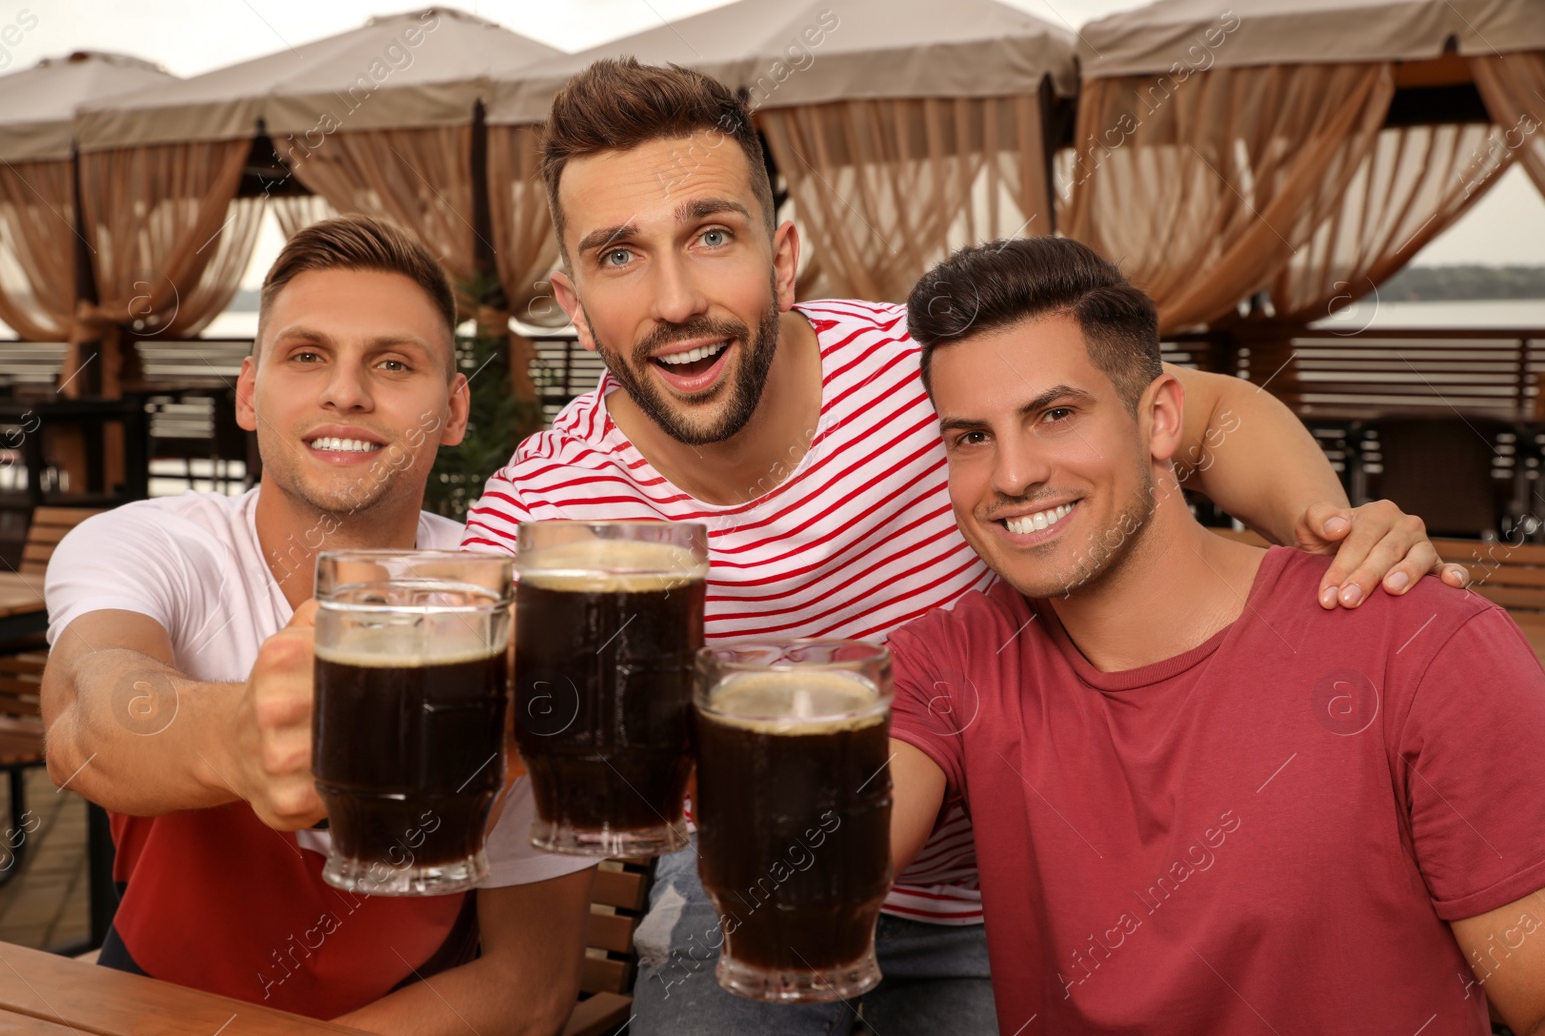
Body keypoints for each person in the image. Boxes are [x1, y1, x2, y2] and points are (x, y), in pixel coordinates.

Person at [462, 57, 1465, 1034]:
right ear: (575, 307)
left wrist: (1333, 541)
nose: (675, 297)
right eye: (620, 254)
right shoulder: (540, 506)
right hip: (745, 868)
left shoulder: (924, 375)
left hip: (1011, 874)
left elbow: (1204, 416)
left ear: (782, 258)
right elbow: (447, 691)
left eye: (711, 234)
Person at [887, 236, 1545, 1034]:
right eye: (971, 437)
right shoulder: (950, 661)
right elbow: (822, 869)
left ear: (1161, 418)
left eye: (1055, 414)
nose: (1013, 474)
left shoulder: (1419, 640)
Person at [40, 215, 596, 1035]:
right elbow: (87, 715)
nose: (346, 391)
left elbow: (531, 982)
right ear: (247, 392)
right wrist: (236, 737)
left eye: (393, 363)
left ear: (452, 409)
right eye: (306, 356)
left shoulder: (513, 604)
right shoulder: (147, 544)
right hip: (152, 1003)